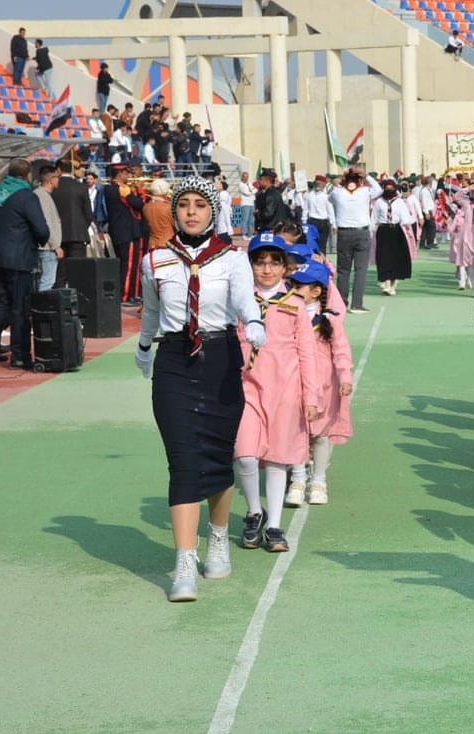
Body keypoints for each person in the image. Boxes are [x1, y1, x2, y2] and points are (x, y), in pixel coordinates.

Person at [135, 176, 265, 602]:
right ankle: (184, 561)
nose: (192, 212)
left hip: (221, 359)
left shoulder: (232, 258)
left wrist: (256, 323)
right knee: (184, 460)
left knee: (216, 454)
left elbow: (245, 300)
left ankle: (219, 536)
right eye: (185, 205)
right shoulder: (155, 260)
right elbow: (151, 312)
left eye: (200, 205)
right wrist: (142, 348)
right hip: (174, 361)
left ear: (213, 211)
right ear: (174, 212)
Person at [236, 233, 321, 554]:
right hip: (245, 388)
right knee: (245, 453)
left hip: (285, 391)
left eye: (274, 262)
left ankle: (273, 523)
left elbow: (307, 353)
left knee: (277, 459)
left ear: (286, 267)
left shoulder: (295, 304)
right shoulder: (239, 302)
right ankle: (252, 511)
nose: (267, 269)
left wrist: (311, 397)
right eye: (260, 262)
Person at [284, 261, 353, 507]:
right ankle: (298, 479)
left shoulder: (329, 321)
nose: (295, 289)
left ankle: (319, 481)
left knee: (321, 436)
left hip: (325, 388)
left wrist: (345, 376)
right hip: (295, 385)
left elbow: (341, 352)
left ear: (316, 291)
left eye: (301, 286)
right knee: (296, 433)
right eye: (292, 284)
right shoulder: (287, 314)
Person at [0, 159, 48, 370]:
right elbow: (41, 229)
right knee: (19, 308)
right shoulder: (26, 196)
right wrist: (39, 240)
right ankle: (20, 356)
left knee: (1, 302)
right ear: (27, 176)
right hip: (18, 258)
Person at [329, 168, 382, 314]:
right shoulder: (365, 192)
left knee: (343, 270)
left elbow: (330, 195)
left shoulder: (338, 193)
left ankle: (341, 303)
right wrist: (367, 176)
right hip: (361, 232)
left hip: (344, 234)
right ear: (360, 181)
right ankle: (357, 304)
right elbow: (379, 189)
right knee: (360, 271)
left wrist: (341, 180)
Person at [104, 163, 145, 304]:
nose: (128, 176)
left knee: (124, 265)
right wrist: (139, 189)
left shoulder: (109, 189)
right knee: (128, 267)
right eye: (126, 173)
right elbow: (139, 204)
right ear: (120, 174)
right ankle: (126, 295)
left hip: (119, 232)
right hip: (127, 232)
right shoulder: (121, 190)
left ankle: (126, 293)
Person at [50, 158, 94, 286]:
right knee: (78, 273)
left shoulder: (53, 188)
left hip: (58, 237)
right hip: (78, 235)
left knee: (60, 274)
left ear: (58, 170)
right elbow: (89, 214)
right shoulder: (81, 187)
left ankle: (59, 303)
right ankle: (79, 303)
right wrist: (81, 227)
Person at [371, 178, 414, 296]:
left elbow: (405, 217)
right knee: (383, 257)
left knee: (396, 257)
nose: (389, 190)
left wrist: (409, 223)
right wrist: (371, 231)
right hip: (383, 230)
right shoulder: (379, 202)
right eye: (387, 188)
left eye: (391, 188)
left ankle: (393, 284)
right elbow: (374, 217)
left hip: (396, 230)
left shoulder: (400, 202)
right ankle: (386, 282)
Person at [32, 164, 63, 292]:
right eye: (57, 177)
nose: (59, 180)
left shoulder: (41, 194)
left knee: (42, 280)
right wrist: (55, 245)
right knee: (47, 281)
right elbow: (46, 222)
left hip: (45, 246)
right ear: (51, 179)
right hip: (47, 247)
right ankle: (41, 310)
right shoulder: (41, 195)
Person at [142, 179, 174, 252]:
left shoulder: (146, 207)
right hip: (167, 244)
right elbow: (177, 226)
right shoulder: (168, 207)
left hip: (152, 244)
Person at [253, 169, 285, 233]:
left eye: (261, 179)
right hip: (270, 228)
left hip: (269, 229)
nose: (259, 181)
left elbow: (268, 214)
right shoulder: (269, 193)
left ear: (267, 180)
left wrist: (257, 213)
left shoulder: (271, 195)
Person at [235, 171, 256, 237]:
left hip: (252, 203)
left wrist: (252, 191)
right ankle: (243, 234)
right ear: (242, 177)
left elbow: (255, 190)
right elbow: (246, 193)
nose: (245, 178)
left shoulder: (249, 183)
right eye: (244, 176)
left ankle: (250, 234)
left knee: (251, 220)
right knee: (245, 220)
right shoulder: (240, 184)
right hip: (245, 204)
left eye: (247, 177)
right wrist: (252, 191)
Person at [214, 180, 234, 245]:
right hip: (220, 231)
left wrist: (230, 231)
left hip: (224, 231)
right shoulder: (219, 205)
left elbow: (227, 219)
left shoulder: (223, 205)